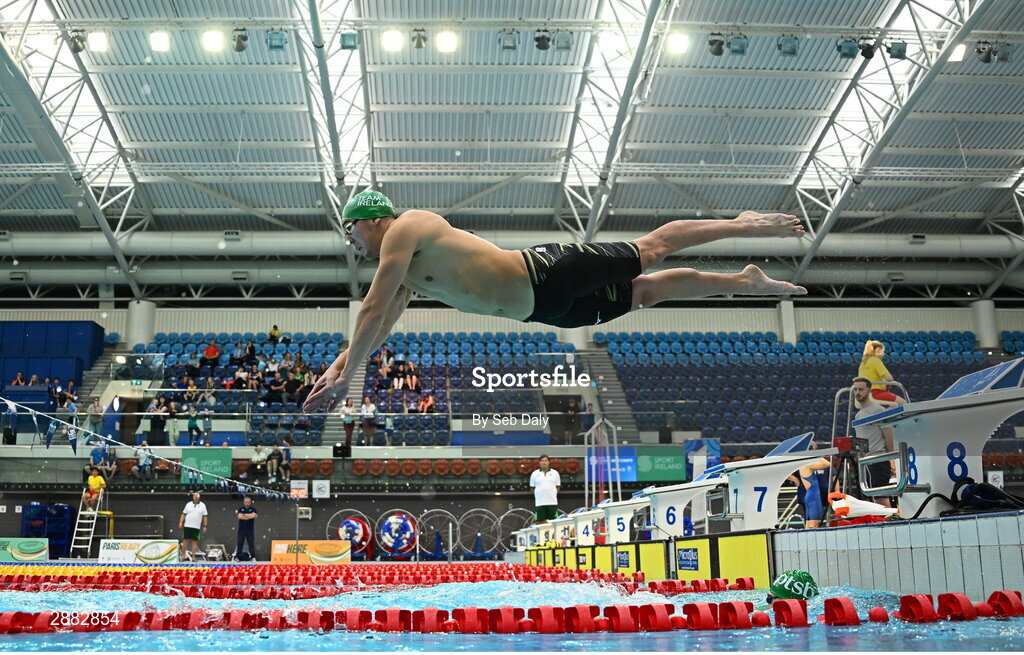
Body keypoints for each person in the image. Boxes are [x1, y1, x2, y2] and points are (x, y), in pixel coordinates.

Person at [303, 191, 806, 411]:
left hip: (547, 269)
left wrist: (349, 376)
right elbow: (381, 325)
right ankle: (744, 282)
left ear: (371, 218)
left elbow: (370, 308)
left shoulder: (407, 227)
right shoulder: (411, 277)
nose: (350, 242)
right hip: (548, 311)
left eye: (350, 231)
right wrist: (342, 364)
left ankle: (744, 224)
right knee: (647, 292)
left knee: (651, 250)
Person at [852, 377, 897, 507]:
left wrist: (891, 458)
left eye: (861, 389)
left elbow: (888, 434)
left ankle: (888, 525)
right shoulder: (859, 415)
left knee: (880, 498)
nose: (857, 392)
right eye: (855, 389)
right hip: (866, 461)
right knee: (869, 499)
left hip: (878, 459)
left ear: (869, 390)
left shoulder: (877, 410)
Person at [787, 443, 830, 528]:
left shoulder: (802, 463)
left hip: (809, 495)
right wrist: (815, 454)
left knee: (808, 525)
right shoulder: (807, 464)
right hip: (814, 497)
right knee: (814, 525)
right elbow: (827, 464)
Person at [858, 340, 907, 405]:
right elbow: (889, 378)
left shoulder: (862, 364)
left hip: (865, 395)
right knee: (904, 403)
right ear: (878, 351)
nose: (883, 354)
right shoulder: (875, 360)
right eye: (882, 351)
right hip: (876, 393)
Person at [530, 454, 561, 523]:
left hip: (552, 503)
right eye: (542, 461)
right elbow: (532, 488)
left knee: (554, 523)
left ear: (549, 462)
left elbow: (558, 487)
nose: (544, 462)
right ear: (539, 462)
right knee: (540, 523)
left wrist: (552, 495)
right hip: (540, 503)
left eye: (546, 461)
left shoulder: (555, 473)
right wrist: (539, 496)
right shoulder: (534, 474)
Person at [178, 491, 208, 562]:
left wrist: (205, 526)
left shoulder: (203, 505)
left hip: (196, 527)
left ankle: (193, 557)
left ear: (199, 497)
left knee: (194, 542)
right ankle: (183, 556)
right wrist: (180, 522)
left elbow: (205, 516)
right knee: (185, 541)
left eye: (197, 496)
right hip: (187, 526)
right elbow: (183, 514)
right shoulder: (188, 504)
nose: (196, 497)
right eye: (195, 496)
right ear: (193, 497)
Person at [234, 496, 258, 561]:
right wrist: (249, 516)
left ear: (250, 503)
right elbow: (239, 516)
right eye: (246, 502)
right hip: (241, 530)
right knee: (240, 543)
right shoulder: (240, 509)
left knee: (251, 543)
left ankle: (253, 557)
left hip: (250, 530)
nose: (247, 503)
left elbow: (253, 515)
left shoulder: (253, 509)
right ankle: (238, 557)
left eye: (248, 502)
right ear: (244, 502)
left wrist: (244, 515)